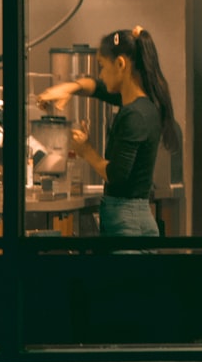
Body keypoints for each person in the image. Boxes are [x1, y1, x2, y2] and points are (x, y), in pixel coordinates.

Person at [36, 26, 180, 237]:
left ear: (121, 64)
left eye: (102, 66)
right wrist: (69, 88)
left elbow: (116, 175)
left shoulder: (134, 115)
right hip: (133, 218)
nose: (101, 75)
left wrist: (86, 150)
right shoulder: (145, 105)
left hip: (127, 222)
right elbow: (96, 87)